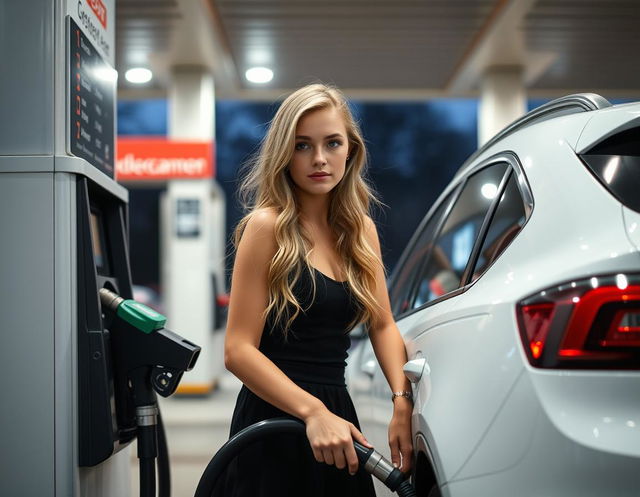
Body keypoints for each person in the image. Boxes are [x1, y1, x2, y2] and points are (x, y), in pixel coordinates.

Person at [219, 83, 413, 497]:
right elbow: (238, 350)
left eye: (332, 143)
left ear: (351, 150)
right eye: (303, 145)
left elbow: (382, 324)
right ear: (284, 153)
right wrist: (313, 413)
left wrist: (402, 401)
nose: (319, 159)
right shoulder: (266, 226)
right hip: (275, 418)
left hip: (338, 416)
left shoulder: (360, 230)